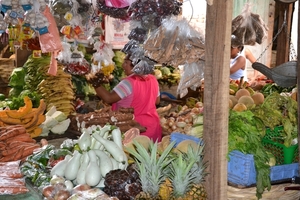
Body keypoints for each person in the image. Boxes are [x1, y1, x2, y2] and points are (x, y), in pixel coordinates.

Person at [88, 54, 162, 142]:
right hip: (152, 127)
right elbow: (157, 101)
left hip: (134, 130)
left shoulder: (128, 83)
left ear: (136, 65)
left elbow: (108, 98)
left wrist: (95, 84)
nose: (123, 65)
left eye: (126, 63)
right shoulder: (153, 79)